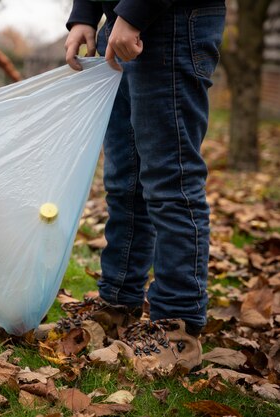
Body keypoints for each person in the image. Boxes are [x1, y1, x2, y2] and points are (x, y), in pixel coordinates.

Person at [62, 0, 225, 372]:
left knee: (171, 179)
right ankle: (118, 305)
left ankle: (177, 328)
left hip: (170, 20)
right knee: (125, 182)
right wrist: (85, 14)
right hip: (120, 25)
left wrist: (135, 11)